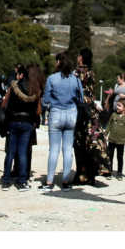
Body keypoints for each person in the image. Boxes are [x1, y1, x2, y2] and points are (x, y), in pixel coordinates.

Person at [41, 51, 83, 189]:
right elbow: (80, 99)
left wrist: (49, 104)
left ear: (58, 62)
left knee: (54, 149)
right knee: (67, 150)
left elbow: (45, 100)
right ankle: (65, 181)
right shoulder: (76, 79)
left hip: (56, 113)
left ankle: (49, 181)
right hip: (71, 114)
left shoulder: (52, 79)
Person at [0, 65, 40, 189]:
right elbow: (35, 109)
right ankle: (22, 181)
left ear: (22, 75)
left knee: (11, 152)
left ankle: (6, 180)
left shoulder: (14, 86)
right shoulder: (35, 89)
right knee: (23, 152)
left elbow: (8, 105)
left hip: (13, 120)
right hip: (27, 122)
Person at [74, 48, 109, 184]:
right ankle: (91, 174)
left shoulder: (78, 72)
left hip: (81, 109)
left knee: (79, 142)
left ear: (81, 58)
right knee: (92, 142)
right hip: (92, 110)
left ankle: (82, 174)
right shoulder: (92, 72)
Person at [105, 96, 125, 179]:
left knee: (120, 157)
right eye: (117, 105)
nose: (117, 107)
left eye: (119, 105)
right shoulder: (113, 115)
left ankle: (119, 173)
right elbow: (109, 125)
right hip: (111, 140)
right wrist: (105, 133)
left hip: (121, 142)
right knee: (110, 156)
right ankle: (109, 172)